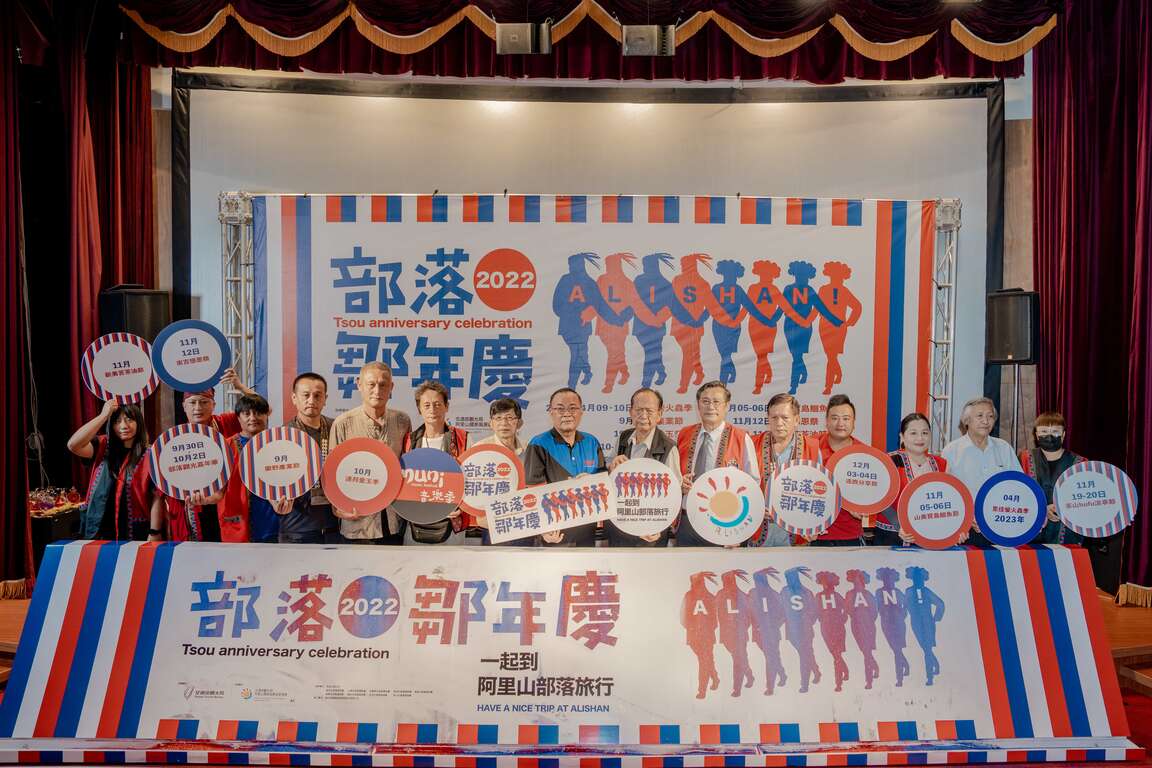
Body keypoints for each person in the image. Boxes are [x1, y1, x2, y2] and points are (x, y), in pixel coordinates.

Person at [146, 377, 255, 542]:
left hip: (226, 505)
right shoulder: (174, 439)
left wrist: (240, 387)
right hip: (190, 509)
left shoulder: (224, 423)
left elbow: (263, 409)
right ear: (184, 406)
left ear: (213, 405)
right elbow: (160, 489)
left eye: (204, 402)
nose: (198, 408)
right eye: (192, 402)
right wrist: (155, 531)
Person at [330, 362, 411, 544]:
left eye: (383, 385)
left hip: (394, 522)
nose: (377, 390)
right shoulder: (343, 423)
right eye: (371, 384)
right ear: (359, 384)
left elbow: (408, 466)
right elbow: (332, 472)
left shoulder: (402, 421)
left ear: (391, 387)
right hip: (357, 523)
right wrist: (337, 507)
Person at [675, 381, 760, 547]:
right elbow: (675, 474)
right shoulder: (684, 434)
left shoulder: (741, 438)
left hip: (725, 522)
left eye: (716, 402)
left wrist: (739, 530)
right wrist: (680, 483)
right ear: (698, 405)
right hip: (687, 521)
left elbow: (753, 485)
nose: (710, 407)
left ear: (726, 406)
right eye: (705, 401)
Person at [523, 388, 607, 546]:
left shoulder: (592, 442)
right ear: (551, 412)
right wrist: (543, 529)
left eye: (573, 408)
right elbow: (533, 491)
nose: (567, 413)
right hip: (555, 532)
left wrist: (591, 481)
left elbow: (603, 481)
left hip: (587, 530)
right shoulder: (538, 444)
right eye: (560, 409)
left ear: (581, 412)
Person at [605, 387, 681, 547]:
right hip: (620, 525)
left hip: (650, 531)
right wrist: (612, 467)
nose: (643, 416)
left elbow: (674, 493)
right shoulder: (623, 438)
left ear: (659, 414)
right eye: (639, 410)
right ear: (630, 412)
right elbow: (608, 475)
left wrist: (659, 527)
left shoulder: (668, 447)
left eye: (649, 411)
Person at [67, 399, 152, 540]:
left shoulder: (149, 454)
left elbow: (156, 497)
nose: (123, 426)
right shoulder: (102, 446)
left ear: (139, 422)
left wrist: (154, 532)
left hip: (136, 531)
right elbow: (73, 445)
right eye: (117, 421)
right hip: (100, 530)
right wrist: (104, 415)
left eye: (129, 420)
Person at [941, 397, 1021, 546]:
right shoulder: (951, 451)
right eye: (979, 416)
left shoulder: (1004, 448)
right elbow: (946, 493)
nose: (986, 421)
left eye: (990, 416)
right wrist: (967, 518)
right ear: (966, 421)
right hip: (965, 529)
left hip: (1001, 525)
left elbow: (1019, 486)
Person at [401, 380, 470, 545]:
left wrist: (462, 507)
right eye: (426, 405)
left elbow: (473, 480)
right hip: (416, 522)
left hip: (451, 522)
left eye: (438, 404)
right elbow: (402, 482)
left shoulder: (463, 439)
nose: (432, 410)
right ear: (419, 409)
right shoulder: (409, 440)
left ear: (447, 406)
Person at [748, 393, 820, 547]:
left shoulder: (812, 448)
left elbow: (821, 491)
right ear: (768, 419)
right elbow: (741, 487)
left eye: (785, 418)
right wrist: (754, 507)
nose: (779, 423)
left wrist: (814, 525)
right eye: (774, 417)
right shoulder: (752, 445)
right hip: (759, 533)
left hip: (796, 536)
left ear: (797, 420)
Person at [280, 372, 339, 544]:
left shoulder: (337, 428)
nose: (311, 400)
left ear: (325, 399)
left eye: (317, 395)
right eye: (306, 395)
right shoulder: (282, 435)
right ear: (294, 398)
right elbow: (272, 479)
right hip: (297, 527)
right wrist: (275, 501)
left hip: (334, 524)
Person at [875, 412, 949, 547]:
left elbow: (946, 501)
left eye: (925, 433)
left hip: (928, 535)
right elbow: (880, 500)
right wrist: (899, 525)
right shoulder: (889, 461)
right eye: (913, 433)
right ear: (902, 437)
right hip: (892, 536)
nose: (920, 438)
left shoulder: (941, 464)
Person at [218, 394, 280, 542]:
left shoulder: (278, 444)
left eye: (258, 413)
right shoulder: (225, 447)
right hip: (236, 526)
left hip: (273, 523)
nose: (253, 418)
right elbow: (217, 492)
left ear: (267, 415)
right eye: (247, 413)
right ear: (238, 418)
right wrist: (202, 499)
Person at [1019, 411, 1085, 545]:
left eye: (1055, 431)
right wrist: (1042, 509)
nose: (1049, 436)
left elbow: (1085, 500)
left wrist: (1061, 508)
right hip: (1030, 529)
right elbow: (1018, 492)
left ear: (1063, 434)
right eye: (1043, 431)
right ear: (1036, 435)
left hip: (1067, 533)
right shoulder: (1024, 458)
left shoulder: (1080, 463)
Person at [812, 394, 866, 546]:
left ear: (853, 422)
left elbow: (872, 493)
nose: (840, 423)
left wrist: (865, 506)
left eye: (846, 418)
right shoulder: (811, 445)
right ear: (826, 421)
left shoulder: (864, 454)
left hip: (850, 535)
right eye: (835, 418)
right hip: (815, 535)